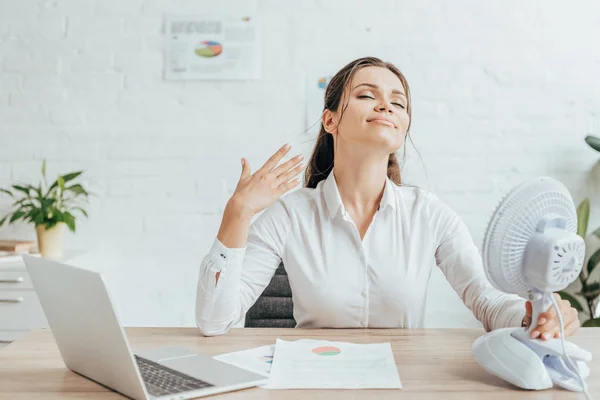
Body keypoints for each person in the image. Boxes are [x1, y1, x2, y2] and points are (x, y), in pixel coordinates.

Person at [195, 56, 580, 339]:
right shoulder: (289, 215)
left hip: (402, 381)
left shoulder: (429, 214)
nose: (386, 106)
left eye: (398, 102)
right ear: (330, 121)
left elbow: (488, 301)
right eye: (367, 95)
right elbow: (214, 321)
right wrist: (238, 214)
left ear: (403, 125)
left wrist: (533, 315)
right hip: (313, 381)